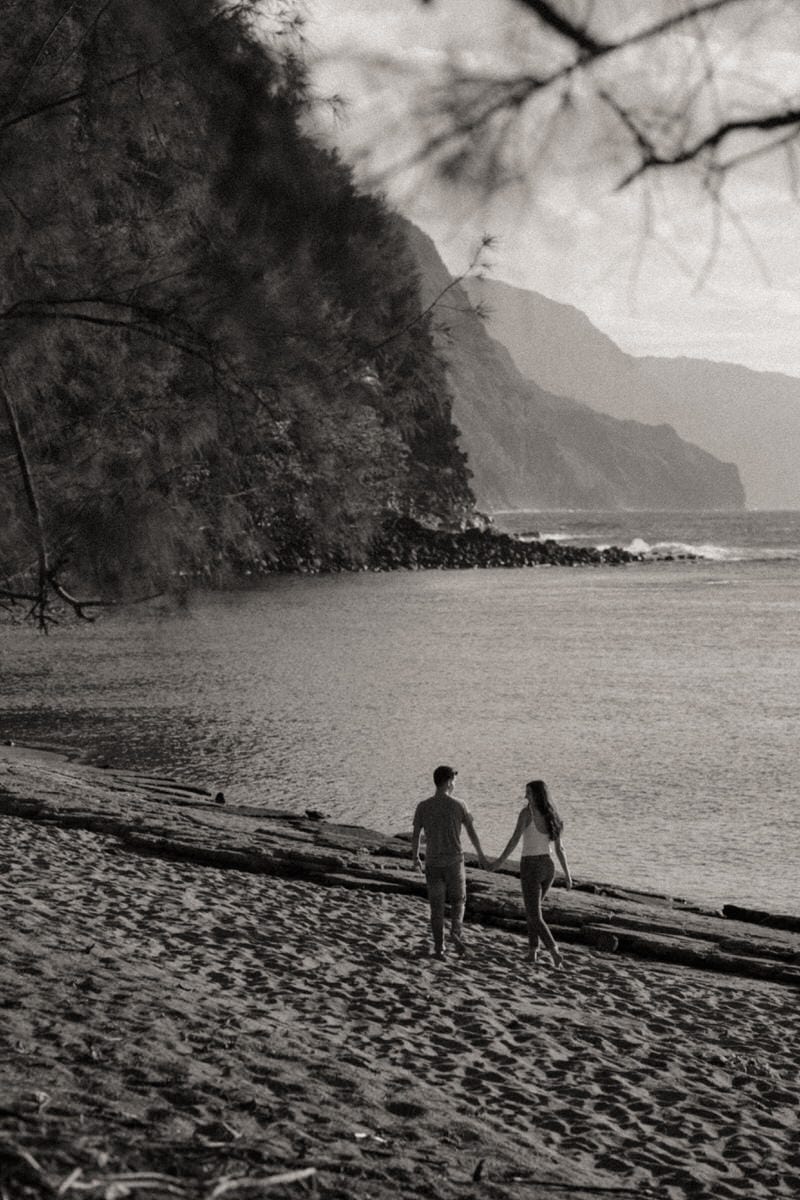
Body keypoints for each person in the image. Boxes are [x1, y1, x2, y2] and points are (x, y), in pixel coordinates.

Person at [490, 779, 572, 967]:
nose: (525, 796)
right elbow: (560, 850)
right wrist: (567, 875)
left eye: (529, 793)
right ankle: (532, 951)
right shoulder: (553, 816)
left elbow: (514, 840)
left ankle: (554, 952)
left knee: (534, 915)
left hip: (531, 866)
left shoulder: (527, 814)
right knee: (533, 912)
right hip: (548, 867)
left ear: (537, 795)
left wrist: (498, 862)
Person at [412, 765, 488, 960]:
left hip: (433, 862)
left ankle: (439, 948)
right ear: (447, 782)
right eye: (453, 780)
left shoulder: (423, 806)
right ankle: (456, 932)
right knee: (458, 902)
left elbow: (416, 835)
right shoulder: (459, 805)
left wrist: (415, 857)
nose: (454, 784)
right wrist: (480, 854)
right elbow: (471, 832)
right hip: (454, 862)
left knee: (436, 908)